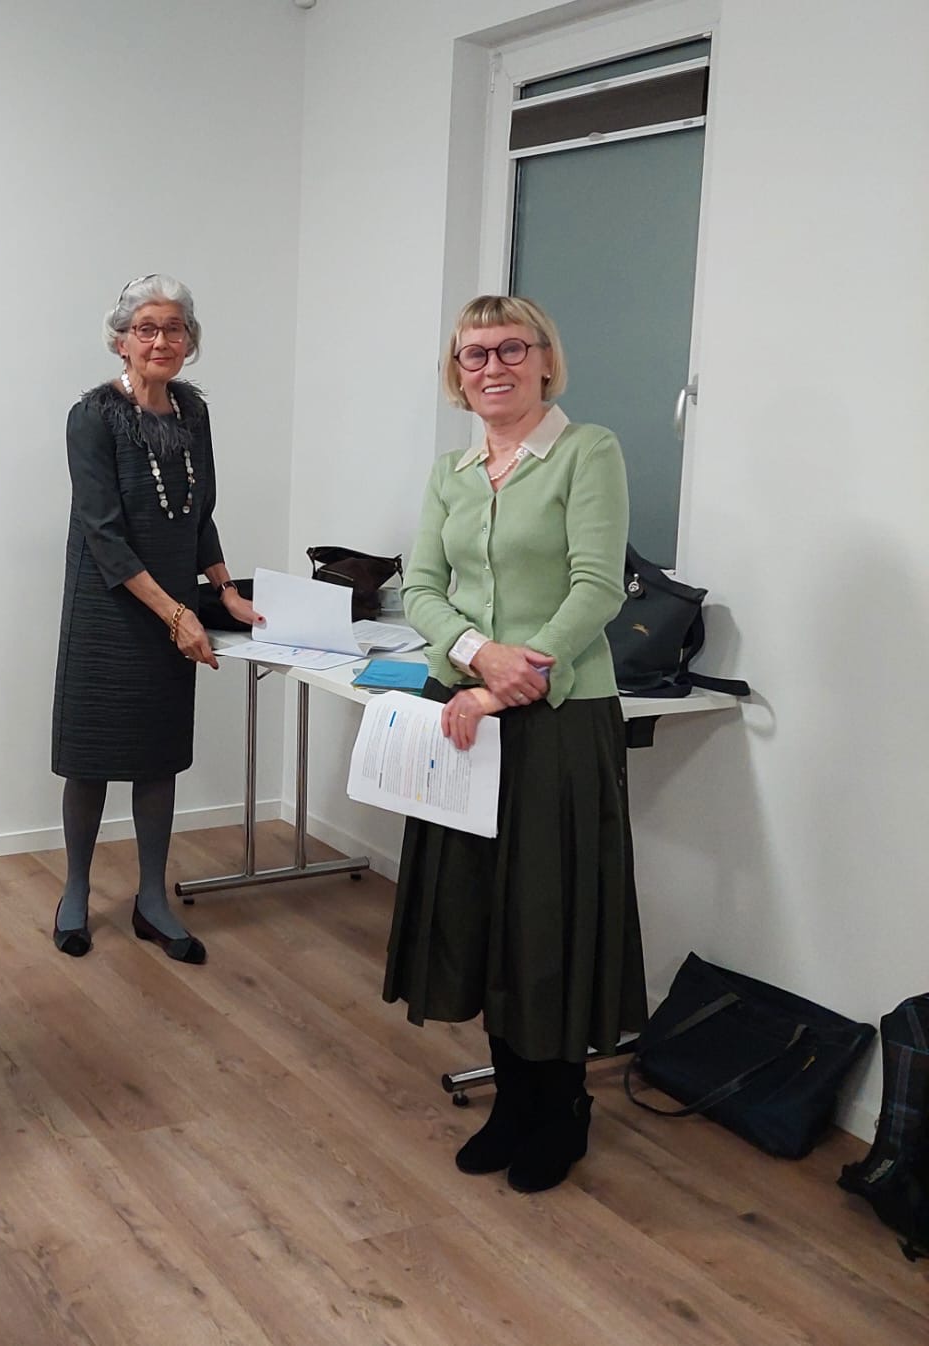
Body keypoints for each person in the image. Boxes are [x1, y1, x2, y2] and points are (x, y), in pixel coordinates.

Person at [383, 294, 645, 1193]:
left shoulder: (588, 452)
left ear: (544, 360)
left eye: (510, 349)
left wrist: (509, 678)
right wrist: (475, 655)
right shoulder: (451, 473)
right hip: (465, 713)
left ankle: (559, 1106)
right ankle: (509, 1101)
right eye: (474, 355)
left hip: (558, 721)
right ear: (456, 375)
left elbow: (597, 586)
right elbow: (420, 587)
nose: (492, 367)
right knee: (477, 911)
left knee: (546, 917)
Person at [50, 274, 259, 965]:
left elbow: (200, 515)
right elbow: (103, 534)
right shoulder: (91, 416)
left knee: (158, 756)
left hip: (173, 606)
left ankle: (151, 899)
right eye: (146, 328)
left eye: (174, 328)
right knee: (90, 759)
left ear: (189, 340)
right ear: (121, 340)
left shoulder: (193, 412)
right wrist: (177, 614)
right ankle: (75, 891)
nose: (161, 340)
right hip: (107, 606)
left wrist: (224, 591)